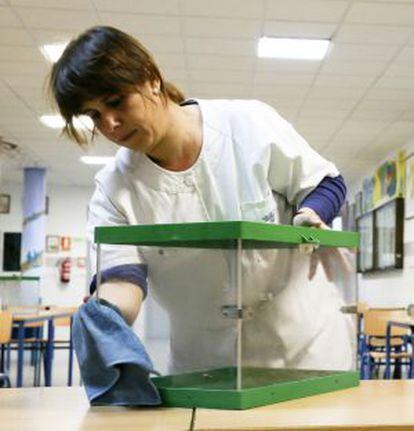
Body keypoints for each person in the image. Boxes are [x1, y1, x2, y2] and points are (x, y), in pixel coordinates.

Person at [48, 26, 354, 374]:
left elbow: (325, 182)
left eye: (116, 102)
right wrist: (105, 315)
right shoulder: (113, 189)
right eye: (94, 116)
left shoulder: (247, 125)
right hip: (207, 366)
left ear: (151, 78)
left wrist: (311, 215)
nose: (111, 124)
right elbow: (122, 279)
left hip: (305, 351)